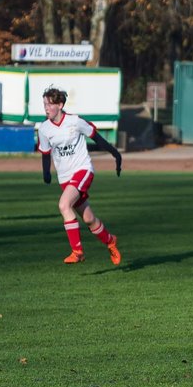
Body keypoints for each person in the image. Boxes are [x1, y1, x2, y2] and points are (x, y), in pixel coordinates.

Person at [36, 86, 123, 265]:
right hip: (65, 178)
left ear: (60, 105)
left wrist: (115, 153)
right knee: (89, 219)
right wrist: (46, 174)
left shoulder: (74, 121)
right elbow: (45, 153)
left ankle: (77, 251)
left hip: (82, 170)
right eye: (44, 104)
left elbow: (96, 137)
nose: (46, 108)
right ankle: (110, 241)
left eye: (49, 104)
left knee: (63, 204)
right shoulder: (44, 129)